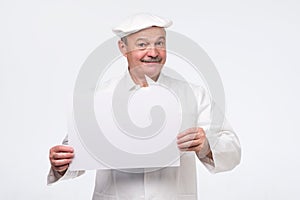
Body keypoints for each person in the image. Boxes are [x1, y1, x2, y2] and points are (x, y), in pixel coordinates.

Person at [48, 13, 241, 200]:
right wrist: (61, 164)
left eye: (160, 43)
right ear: (123, 48)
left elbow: (232, 149)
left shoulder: (194, 95)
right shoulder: (97, 97)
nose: (153, 52)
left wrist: (206, 146)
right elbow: (75, 154)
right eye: (142, 44)